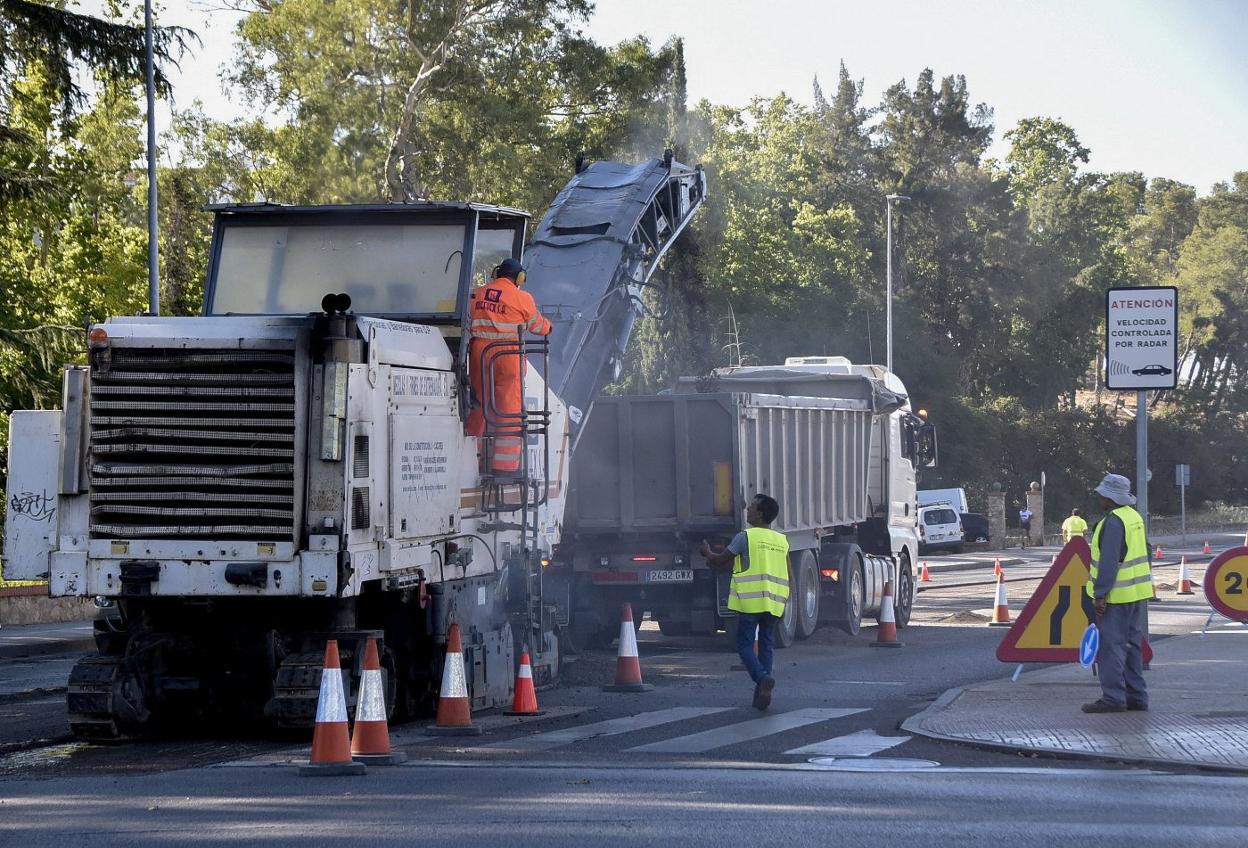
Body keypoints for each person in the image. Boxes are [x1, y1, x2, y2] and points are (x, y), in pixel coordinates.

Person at [700, 493, 790, 711]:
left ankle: (761, 678)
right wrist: (786, 602)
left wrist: (707, 552)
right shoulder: (781, 540)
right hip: (775, 601)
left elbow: (721, 561)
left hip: (751, 601)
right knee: (767, 644)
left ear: (760, 514)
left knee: (743, 645)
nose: (747, 509)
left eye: (751, 507)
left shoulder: (746, 537)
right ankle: (762, 691)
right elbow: (788, 574)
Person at [466, 258, 552, 474]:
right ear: (520, 277)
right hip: (508, 356)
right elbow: (538, 326)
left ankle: (470, 460)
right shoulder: (522, 297)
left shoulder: (477, 294)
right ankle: (504, 467)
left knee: (478, 406)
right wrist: (549, 327)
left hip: (479, 356)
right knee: (509, 412)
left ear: (497, 273)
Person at [1082, 473, 1151, 714]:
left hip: (1115, 597)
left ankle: (1113, 698)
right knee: (1132, 647)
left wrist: (1100, 595)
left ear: (1109, 498)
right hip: (1135, 594)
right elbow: (1147, 551)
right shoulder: (1134, 517)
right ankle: (1137, 697)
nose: (1099, 497)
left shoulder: (1112, 522)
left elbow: (1109, 562)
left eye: (1102, 494)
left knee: (1111, 648)